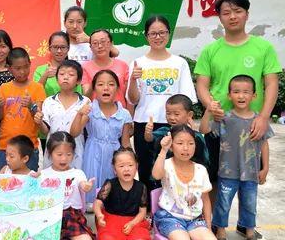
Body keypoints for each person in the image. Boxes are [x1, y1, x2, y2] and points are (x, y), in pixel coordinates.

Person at [194, 0, 281, 240]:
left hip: (251, 124)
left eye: (237, 11)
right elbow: (202, 83)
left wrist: (264, 117)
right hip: (220, 124)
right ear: (219, 18)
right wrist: (210, 104)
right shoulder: (211, 50)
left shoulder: (263, 47)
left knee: (248, 179)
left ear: (247, 14)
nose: (232, 16)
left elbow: (272, 83)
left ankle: (246, 225)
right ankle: (212, 226)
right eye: (226, 12)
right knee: (213, 178)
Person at [200, 75, 273, 240]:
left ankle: (249, 234)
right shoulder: (225, 119)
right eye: (236, 92)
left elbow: (264, 143)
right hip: (227, 172)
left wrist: (265, 168)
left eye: (246, 92)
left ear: (254, 96)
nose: (241, 96)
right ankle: (221, 235)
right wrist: (209, 110)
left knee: (249, 204)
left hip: (251, 172)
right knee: (223, 204)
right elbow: (203, 130)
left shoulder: (259, 121)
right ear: (229, 95)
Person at [126, 15, 197, 190]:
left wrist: (188, 124)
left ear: (169, 34)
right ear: (146, 36)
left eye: (162, 33)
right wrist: (134, 80)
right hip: (145, 124)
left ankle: (170, 209)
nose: (158, 37)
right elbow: (133, 99)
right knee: (146, 168)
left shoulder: (179, 63)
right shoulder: (138, 63)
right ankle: (149, 210)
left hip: (173, 124)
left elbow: (187, 98)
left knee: (172, 168)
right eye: (153, 33)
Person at [151, 125, 220, 240]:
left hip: (195, 219)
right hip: (170, 217)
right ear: (172, 145)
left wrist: (208, 225)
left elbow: (206, 199)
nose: (186, 148)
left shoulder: (201, 170)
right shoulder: (166, 164)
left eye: (190, 143)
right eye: (180, 143)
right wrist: (163, 150)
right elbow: (156, 175)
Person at [71, 70, 132, 209]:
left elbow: (126, 142)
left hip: (114, 154)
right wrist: (79, 114)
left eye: (111, 84)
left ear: (117, 88)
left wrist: (130, 163)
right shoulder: (90, 109)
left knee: (111, 189)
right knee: (90, 191)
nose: (106, 88)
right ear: (94, 88)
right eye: (100, 84)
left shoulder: (124, 114)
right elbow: (74, 132)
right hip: (92, 153)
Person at [41, 131, 95, 240]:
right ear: (50, 154)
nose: (64, 159)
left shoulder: (77, 173)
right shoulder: (43, 175)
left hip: (73, 217)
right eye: (59, 154)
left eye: (68, 154)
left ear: (73, 154)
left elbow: (83, 184)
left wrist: (86, 187)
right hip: (51, 217)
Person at [94, 148, 151, 240]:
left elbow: (142, 212)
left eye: (130, 165)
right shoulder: (110, 184)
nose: (126, 169)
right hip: (111, 222)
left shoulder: (141, 187)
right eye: (121, 166)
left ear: (136, 166)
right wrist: (99, 215)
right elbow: (98, 202)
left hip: (134, 223)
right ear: (114, 169)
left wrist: (132, 223)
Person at [144, 94, 209, 197]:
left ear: (189, 115)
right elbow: (150, 139)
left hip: (188, 181)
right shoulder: (164, 132)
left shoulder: (196, 136)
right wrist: (148, 132)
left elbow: (203, 160)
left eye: (176, 114)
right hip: (164, 179)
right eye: (168, 113)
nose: (171, 117)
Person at [0, 47, 46, 171]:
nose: (22, 71)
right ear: (9, 68)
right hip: (5, 146)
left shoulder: (37, 88)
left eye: (26, 67)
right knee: (4, 184)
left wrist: (31, 106)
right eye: (18, 68)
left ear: (30, 64)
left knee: (28, 186)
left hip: (28, 147)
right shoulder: (4, 88)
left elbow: (38, 118)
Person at [34, 31, 82, 151]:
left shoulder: (75, 68)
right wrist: (45, 76)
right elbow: (35, 93)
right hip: (47, 123)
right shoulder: (41, 70)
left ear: (68, 48)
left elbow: (79, 95)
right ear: (49, 48)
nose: (59, 51)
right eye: (55, 47)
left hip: (71, 124)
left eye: (63, 47)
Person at [39, 60, 90, 170]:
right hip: (53, 152)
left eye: (71, 74)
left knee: (74, 183)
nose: (65, 77)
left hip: (75, 152)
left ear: (79, 80)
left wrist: (80, 113)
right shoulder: (49, 101)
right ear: (57, 79)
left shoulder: (85, 102)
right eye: (61, 74)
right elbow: (45, 130)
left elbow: (76, 132)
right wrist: (38, 121)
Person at [81, 29, 129, 107]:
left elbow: (128, 97)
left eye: (103, 42)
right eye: (95, 43)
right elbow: (86, 97)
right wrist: (95, 82)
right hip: (95, 116)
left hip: (120, 115)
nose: (100, 46)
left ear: (111, 44)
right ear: (90, 47)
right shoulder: (85, 67)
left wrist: (129, 115)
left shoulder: (123, 65)